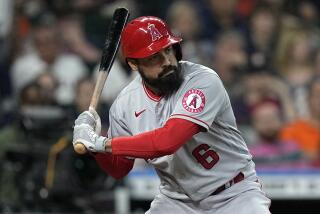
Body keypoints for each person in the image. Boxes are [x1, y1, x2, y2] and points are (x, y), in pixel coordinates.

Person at [73, 16, 271, 213]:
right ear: (134, 64)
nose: (167, 61)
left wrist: (101, 143)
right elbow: (119, 169)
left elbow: (167, 141)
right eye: (154, 57)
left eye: (168, 50)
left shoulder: (202, 80)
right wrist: (94, 148)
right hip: (177, 200)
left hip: (233, 194)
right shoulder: (125, 104)